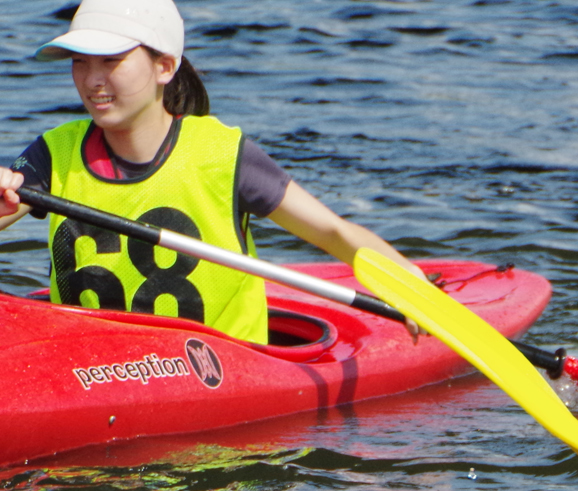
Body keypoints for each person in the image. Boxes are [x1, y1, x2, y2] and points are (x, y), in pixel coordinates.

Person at [0, 0, 421, 345]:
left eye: (111, 60)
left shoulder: (222, 154)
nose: (91, 80)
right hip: (92, 363)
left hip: (222, 371)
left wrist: (411, 289)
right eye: (79, 62)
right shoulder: (54, 152)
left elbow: (333, 233)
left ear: (164, 67)